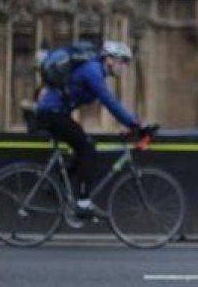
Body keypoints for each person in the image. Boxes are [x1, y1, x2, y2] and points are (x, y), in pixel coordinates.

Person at [34, 40, 142, 217]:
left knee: (85, 146)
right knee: (87, 149)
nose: (124, 67)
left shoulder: (95, 71)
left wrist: (130, 126)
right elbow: (109, 102)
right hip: (52, 114)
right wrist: (134, 123)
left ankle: (55, 184)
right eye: (122, 61)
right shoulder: (93, 70)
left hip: (57, 113)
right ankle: (83, 202)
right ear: (109, 60)